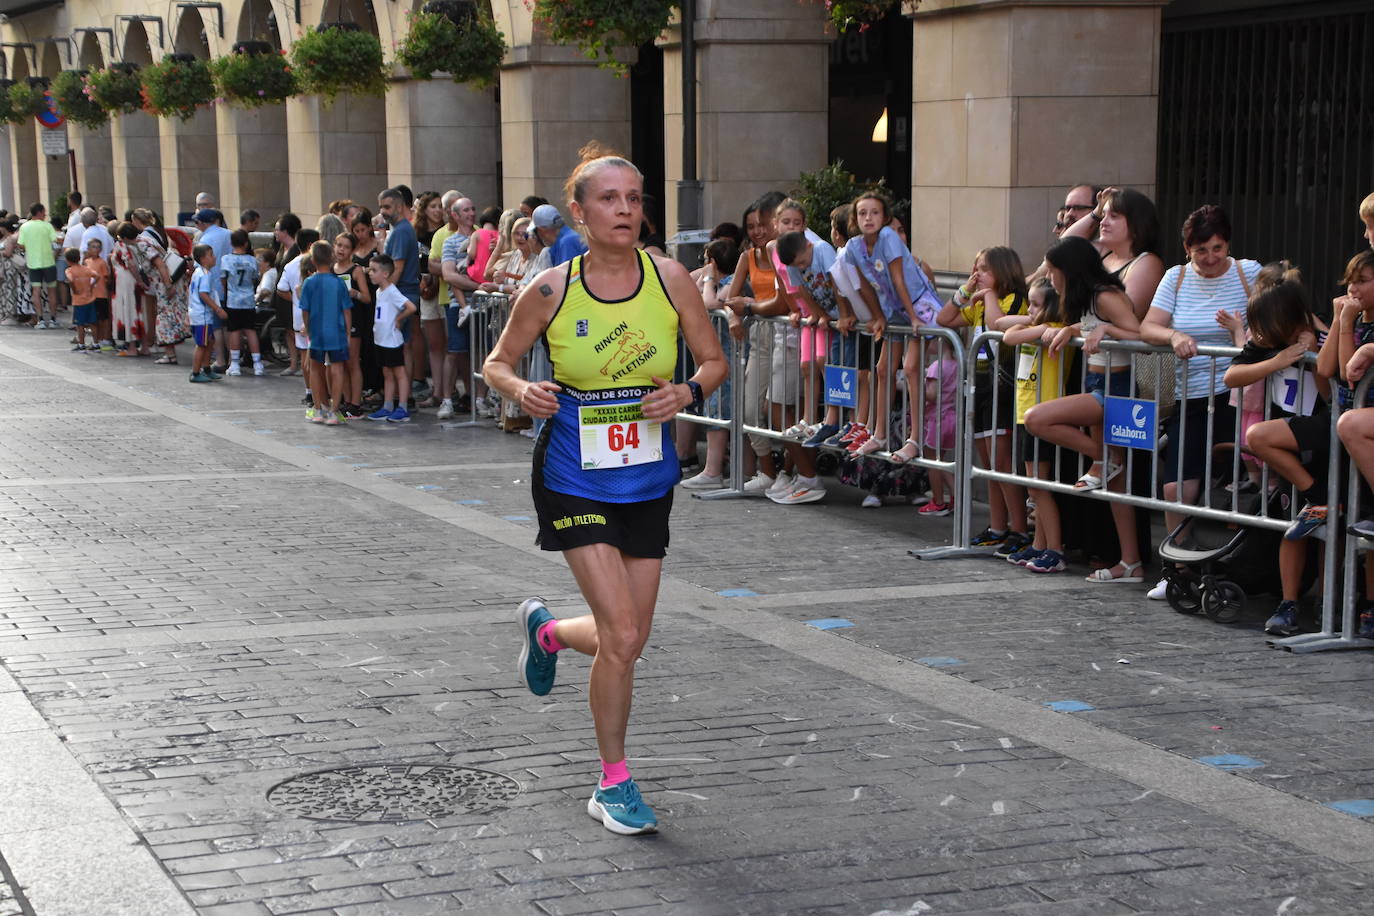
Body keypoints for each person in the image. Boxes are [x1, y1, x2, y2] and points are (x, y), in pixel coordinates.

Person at [483, 146, 726, 835]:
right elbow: (496, 362)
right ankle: (613, 782)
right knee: (621, 633)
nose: (625, 210)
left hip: (647, 478)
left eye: (634, 198)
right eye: (610, 199)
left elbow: (714, 359)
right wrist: (522, 388)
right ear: (581, 211)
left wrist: (688, 389)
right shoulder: (552, 290)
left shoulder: (671, 277)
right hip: (572, 474)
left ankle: (550, 632)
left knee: (630, 639)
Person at [1139, 204, 1263, 598]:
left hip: (1238, 395)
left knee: (1257, 479)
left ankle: (1253, 564)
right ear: (1186, 249)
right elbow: (1148, 326)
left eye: (1217, 248)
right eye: (1201, 251)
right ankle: (1177, 566)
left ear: (1228, 244)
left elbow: (1278, 319)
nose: (1210, 259)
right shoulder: (1175, 278)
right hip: (1189, 396)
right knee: (1176, 487)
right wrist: (1173, 337)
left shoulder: (1250, 273)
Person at [1024, 235, 1144, 583]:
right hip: (1099, 384)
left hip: (1115, 388)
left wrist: (1105, 327)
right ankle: (1131, 563)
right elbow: (1098, 327)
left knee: (1037, 418)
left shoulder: (1104, 294)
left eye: (1053, 272)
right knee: (1115, 486)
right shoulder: (1088, 299)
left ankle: (1104, 458)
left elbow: (1137, 332)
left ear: (1069, 270)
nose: (1050, 280)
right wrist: (1075, 328)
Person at [1220, 273, 1326, 636]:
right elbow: (1232, 377)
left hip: (1324, 449)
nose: (1257, 333)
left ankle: (1328, 601)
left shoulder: (1319, 337)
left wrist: (1313, 345)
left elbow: (1333, 375)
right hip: (1290, 459)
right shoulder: (1267, 346)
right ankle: (1289, 601)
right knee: (1294, 526)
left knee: (1328, 531)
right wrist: (1277, 361)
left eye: (1261, 325)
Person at [937, 247, 1031, 554]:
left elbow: (997, 324)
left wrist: (988, 296)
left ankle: (1019, 529)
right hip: (980, 386)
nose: (978, 276)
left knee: (1002, 464)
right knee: (987, 464)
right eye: (975, 269)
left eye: (984, 270)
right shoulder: (977, 301)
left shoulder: (1013, 299)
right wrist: (965, 291)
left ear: (1003, 271)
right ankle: (997, 526)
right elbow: (944, 318)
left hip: (1003, 386)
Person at [1000, 277, 1074, 572]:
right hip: (1025, 414)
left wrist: (1043, 326)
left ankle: (1055, 548)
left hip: (1046, 414)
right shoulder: (1037, 330)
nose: (1029, 309)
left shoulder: (1056, 332)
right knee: (1034, 488)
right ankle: (1040, 544)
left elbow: (1014, 333)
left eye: (1035, 304)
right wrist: (1036, 321)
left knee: (1040, 488)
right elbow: (1006, 331)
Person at [299, 240, 352, 426]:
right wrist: (348, 332)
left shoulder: (309, 283)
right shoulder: (338, 283)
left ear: (312, 260)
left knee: (315, 368)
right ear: (331, 258)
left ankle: (318, 408)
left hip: (317, 332)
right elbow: (346, 310)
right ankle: (334, 410)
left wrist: (308, 329)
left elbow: (304, 310)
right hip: (336, 332)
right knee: (337, 369)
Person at [379, 188, 422, 408]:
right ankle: (399, 397)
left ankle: (401, 398)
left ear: (398, 206)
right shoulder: (400, 230)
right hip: (404, 292)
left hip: (402, 293)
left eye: (387, 207)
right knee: (401, 345)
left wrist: (387, 294)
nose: (383, 212)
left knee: (399, 346)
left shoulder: (401, 231)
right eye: (381, 207)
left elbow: (397, 267)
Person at [366, 253, 417, 422]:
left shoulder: (391, 291)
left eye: (374, 270)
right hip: (381, 339)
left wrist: (399, 319)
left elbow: (410, 307)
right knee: (387, 373)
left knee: (399, 373)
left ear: (385, 274)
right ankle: (387, 406)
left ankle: (402, 406)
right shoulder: (379, 291)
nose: (370, 273)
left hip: (391, 340)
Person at [220, 229, 263, 376]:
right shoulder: (252, 260)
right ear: (246, 243)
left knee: (235, 331)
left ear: (231, 243)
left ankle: (235, 363)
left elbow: (223, 279)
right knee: (250, 331)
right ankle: (258, 364)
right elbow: (255, 278)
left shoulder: (226, 259)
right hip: (249, 300)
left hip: (233, 300)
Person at [187, 244, 227, 382]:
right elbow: (203, 294)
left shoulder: (198, 272)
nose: (214, 257)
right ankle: (195, 372)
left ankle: (206, 368)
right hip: (202, 315)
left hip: (200, 314)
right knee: (202, 344)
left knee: (209, 341)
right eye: (211, 255)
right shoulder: (204, 275)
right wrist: (218, 309)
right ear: (203, 259)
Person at [271, 213, 303, 376]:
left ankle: (300, 362)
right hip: (281, 296)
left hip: (292, 295)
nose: (275, 233)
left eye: (277, 229)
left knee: (295, 330)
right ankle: (293, 362)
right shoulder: (281, 249)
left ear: (286, 231)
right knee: (288, 330)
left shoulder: (296, 249)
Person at [18, 203, 59, 328]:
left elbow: (21, 245)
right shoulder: (47, 226)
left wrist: (30, 248)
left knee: (36, 291)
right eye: (44, 212)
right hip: (48, 262)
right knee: (52, 291)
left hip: (33, 263)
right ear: (40, 212)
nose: (45, 214)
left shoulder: (24, 227)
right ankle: (52, 319)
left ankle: (40, 319)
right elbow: (55, 241)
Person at [111, 222, 145, 355]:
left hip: (125, 281)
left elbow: (130, 264)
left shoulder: (121, 245)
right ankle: (144, 346)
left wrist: (139, 280)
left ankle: (132, 346)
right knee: (138, 311)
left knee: (128, 311)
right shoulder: (138, 244)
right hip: (132, 280)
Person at [64, 249, 98, 351]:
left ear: (67, 260)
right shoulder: (86, 269)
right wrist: (91, 286)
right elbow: (97, 276)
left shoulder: (69, 270)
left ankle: (82, 343)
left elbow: (70, 279)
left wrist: (74, 288)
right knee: (92, 323)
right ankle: (96, 343)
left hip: (78, 301)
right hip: (89, 298)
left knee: (80, 324)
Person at [82, 237, 111, 351]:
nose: (96, 249)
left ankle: (104, 338)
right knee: (93, 319)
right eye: (93, 247)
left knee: (102, 318)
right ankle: (96, 339)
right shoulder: (87, 262)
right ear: (88, 249)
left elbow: (106, 277)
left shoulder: (102, 263)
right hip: (90, 294)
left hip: (100, 293)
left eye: (98, 247)